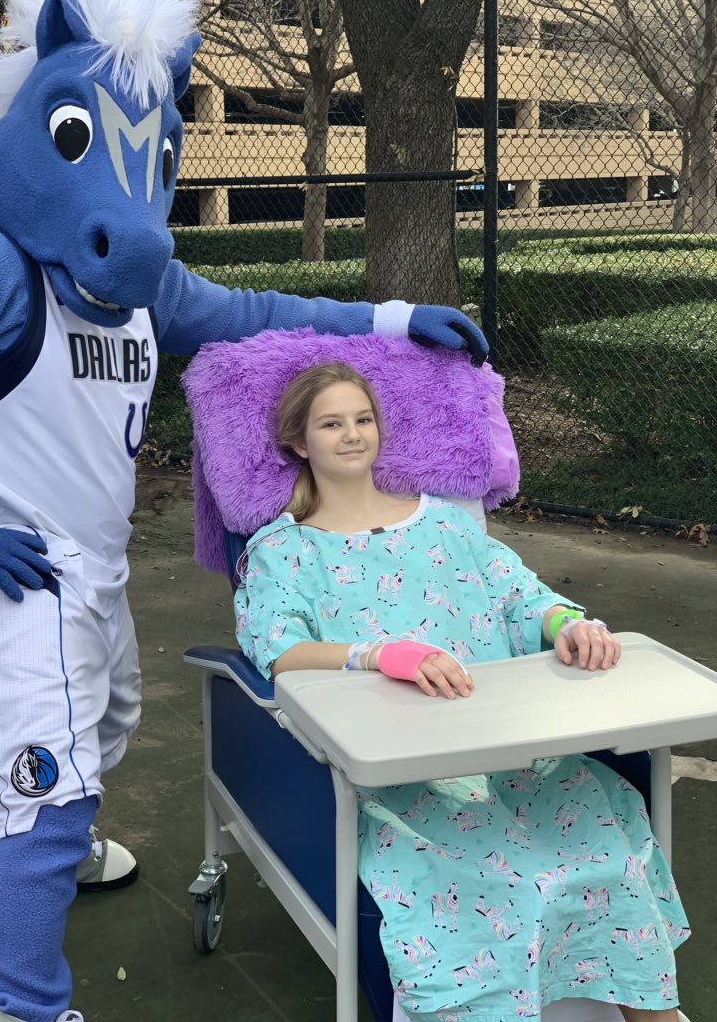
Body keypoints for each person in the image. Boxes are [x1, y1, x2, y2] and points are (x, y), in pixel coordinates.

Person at [0, 1, 488, 1022]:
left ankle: (59, 841)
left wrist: (393, 318)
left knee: (106, 724)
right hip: (8, 563)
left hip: (93, 563)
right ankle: (18, 1001)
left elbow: (258, 314)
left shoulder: (137, 288)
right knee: (48, 777)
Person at [234, 361, 691, 1022]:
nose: (352, 435)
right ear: (301, 442)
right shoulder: (284, 551)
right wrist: (374, 654)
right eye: (331, 424)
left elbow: (521, 597)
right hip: (403, 783)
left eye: (363, 419)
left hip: (513, 760)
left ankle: (650, 1011)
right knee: (486, 879)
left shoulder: (447, 528)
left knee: (606, 844)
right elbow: (278, 650)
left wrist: (569, 622)